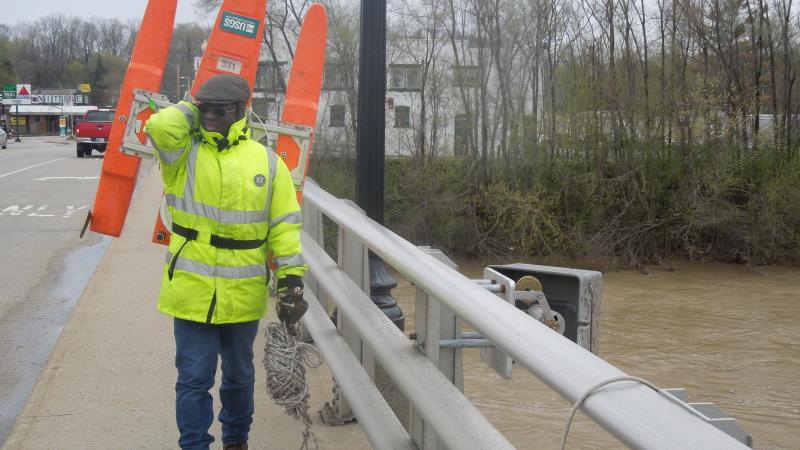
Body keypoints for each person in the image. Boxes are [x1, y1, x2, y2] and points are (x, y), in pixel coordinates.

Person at [145, 73, 309, 450]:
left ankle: (236, 441)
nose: (211, 120)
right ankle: (194, 445)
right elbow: (158, 126)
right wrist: (192, 105)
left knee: (238, 377)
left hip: (242, 293)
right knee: (193, 379)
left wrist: (290, 279)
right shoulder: (182, 153)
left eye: (221, 112)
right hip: (190, 292)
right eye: (206, 112)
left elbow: (284, 225)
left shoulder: (267, 163)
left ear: (242, 112)